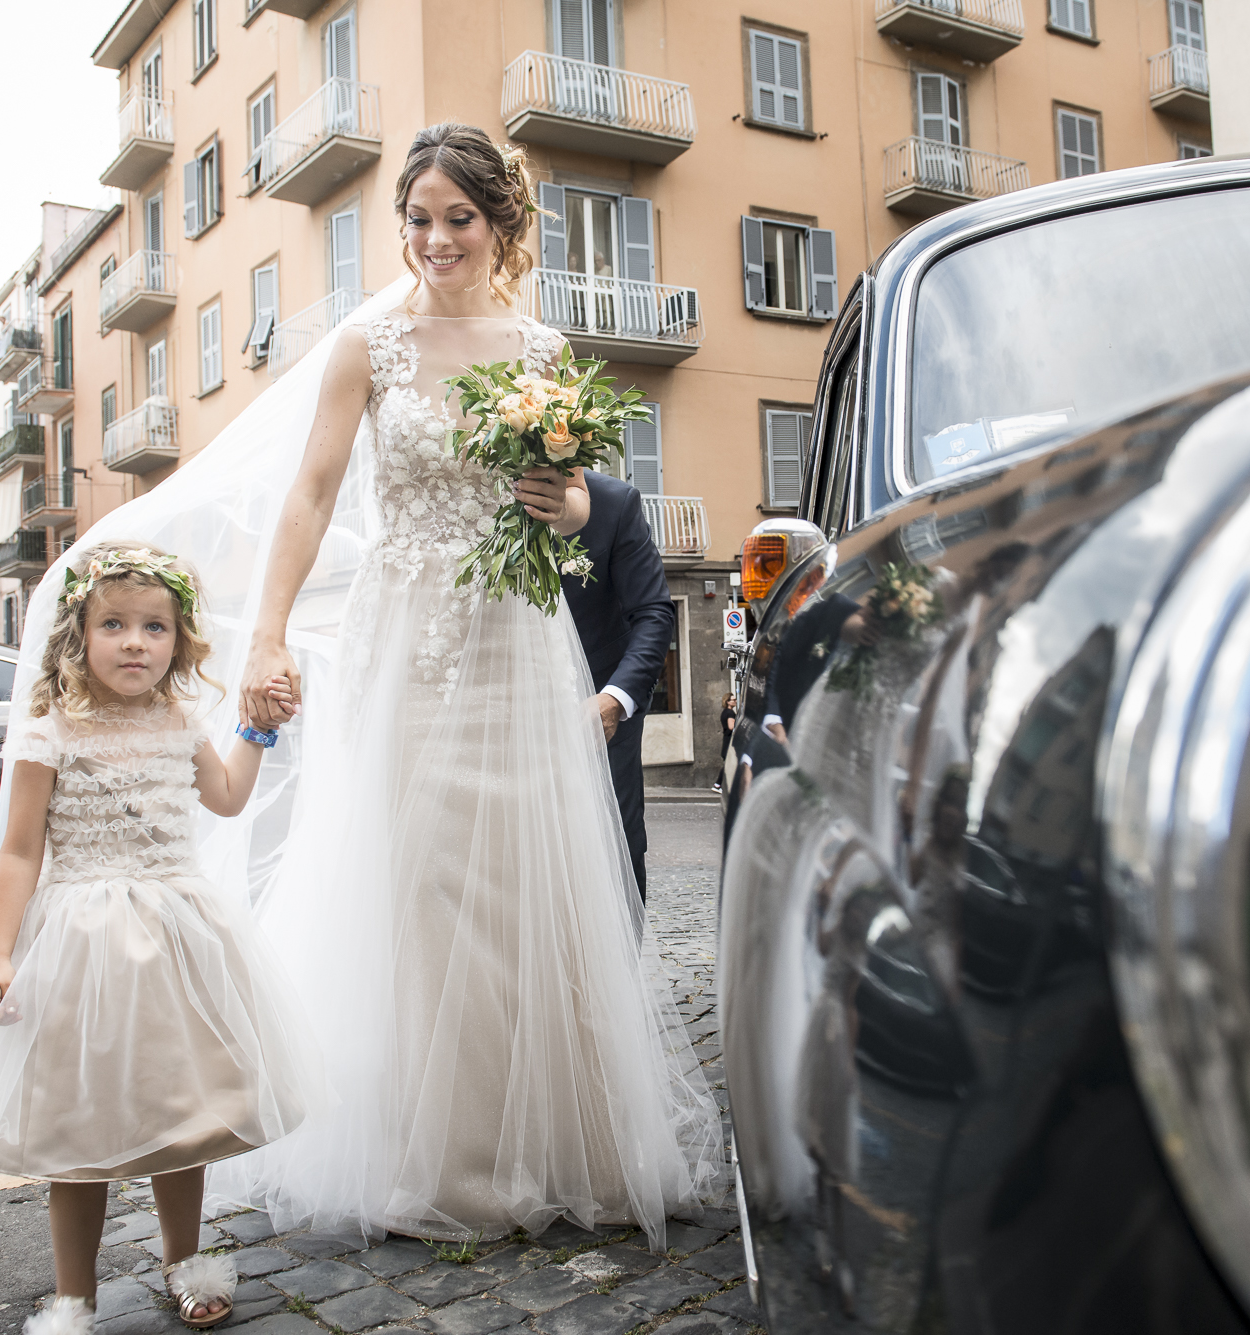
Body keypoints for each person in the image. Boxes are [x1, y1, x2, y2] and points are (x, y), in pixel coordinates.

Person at [208, 124, 721, 1248]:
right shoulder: (365, 345)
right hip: (409, 642)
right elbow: (307, 495)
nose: (435, 239)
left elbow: (578, 497)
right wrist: (268, 635)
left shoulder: (538, 346)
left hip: (515, 638)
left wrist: (570, 508)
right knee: (425, 879)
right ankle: (441, 1152)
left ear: (499, 227)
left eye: (458, 218)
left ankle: (558, 1138)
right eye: (418, 218)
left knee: (528, 877)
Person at [0, 546, 315, 1334]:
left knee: (186, 1116)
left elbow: (230, 798)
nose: (136, 641)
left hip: (179, 940)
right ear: (79, 633)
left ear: (179, 641)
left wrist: (257, 728)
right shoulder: (49, 730)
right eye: (114, 624)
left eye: (154, 627)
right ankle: (74, 1295)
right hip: (81, 947)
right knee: (78, 1131)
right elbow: (19, 852)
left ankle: (188, 1259)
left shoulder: (179, 720)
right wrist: (0, 952)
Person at [532, 467, 673, 898]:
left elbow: (653, 612)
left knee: (613, 857)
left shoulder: (614, 503)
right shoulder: (474, 496)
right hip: (499, 712)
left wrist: (614, 700)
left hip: (595, 718)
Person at [714, 692, 738, 792]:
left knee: (728, 764)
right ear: (728, 702)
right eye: (733, 700)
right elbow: (731, 727)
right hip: (729, 740)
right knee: (728, 764)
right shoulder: (730, 713)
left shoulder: (724, 712)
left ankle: (719, 785)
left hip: (726, 739)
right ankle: (717, 785)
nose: (735, 701)